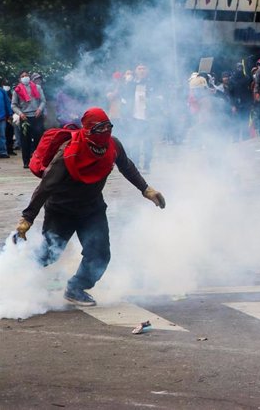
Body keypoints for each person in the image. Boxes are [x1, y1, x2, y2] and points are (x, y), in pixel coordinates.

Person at [14, 108, 166, 306]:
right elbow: (45, 186)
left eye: (108, 126)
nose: (105, 132)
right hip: (61, 210)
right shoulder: (68, 152)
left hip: (92, 209)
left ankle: (76, 288)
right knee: (49, 254)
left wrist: (146, 189)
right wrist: (27, 218)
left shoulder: (113, 145)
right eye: (99, 128)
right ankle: (14, 273)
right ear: (87, 130)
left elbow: (126, 166)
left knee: (100, 254)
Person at [11, 70, 46, 168]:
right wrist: (20, 114)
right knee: (25, 141)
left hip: (37, 116)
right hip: (25, 118)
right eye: (23, 76)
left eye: (26, 75)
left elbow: (43, 101)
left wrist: (40, 109)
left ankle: (38, 161)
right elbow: (13, 105)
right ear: (20, 79)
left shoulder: (37, 87)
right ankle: (26, 162)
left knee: (38, 140)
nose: (25, 77)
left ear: (29, 77)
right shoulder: (16, 90)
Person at [0, 83, 10, 159]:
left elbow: (7, 102)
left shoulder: (2, 91)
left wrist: (10, 114)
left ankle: (3, 152)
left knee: (2, 136)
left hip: (2, 117)